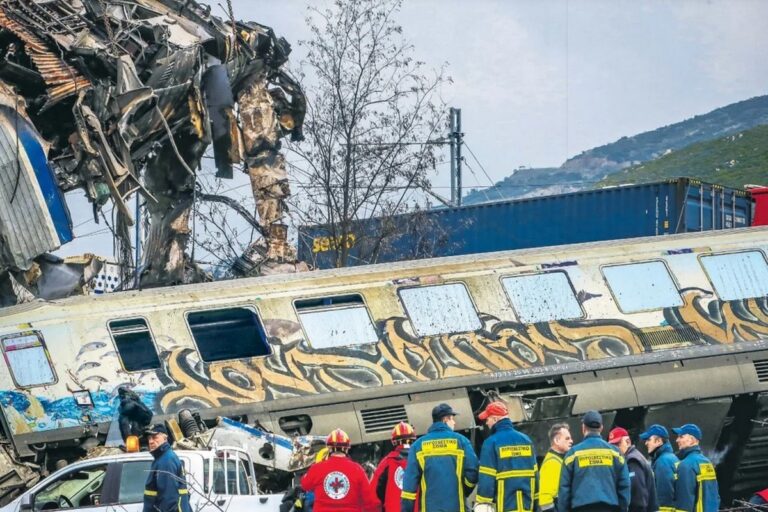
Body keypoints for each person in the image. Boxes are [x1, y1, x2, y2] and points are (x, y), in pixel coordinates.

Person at [401, 403, 478, 512]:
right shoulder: (462, 441)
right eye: (452, 419)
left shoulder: (418, 446)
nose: (454, 422)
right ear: (446, 419)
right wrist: (463, 490)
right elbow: (473, 473)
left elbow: (409, 486)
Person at [556, 410, 630, 512]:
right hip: (610, 508)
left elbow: (564, 489)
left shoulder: (572, 455)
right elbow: (624, 484)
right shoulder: (615, 453)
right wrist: (622, 508)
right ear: (601, 428)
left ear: (583, 428)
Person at [474, 401, 538, 512]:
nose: (487, 423)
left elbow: (487, 477)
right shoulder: (526, 440)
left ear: (495, 419)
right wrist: (536, 503)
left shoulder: (490, 443)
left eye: (487, 419)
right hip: (527, 505)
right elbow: (535, 475)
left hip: (505, 505)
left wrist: (483, 503)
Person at [300, 429, 379, 512]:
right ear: (347, 449)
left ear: (329, 448)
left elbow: (305, 485)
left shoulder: (317, 468)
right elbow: (369, 500)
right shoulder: (357, 469)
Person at [143, 424, 192, 512]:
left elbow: (169, 499)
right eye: (149, 438)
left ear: (165, 438)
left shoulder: (166, 461)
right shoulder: (162, 458)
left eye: (155, 437)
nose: (150, 441)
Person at [672, 424, 720, 512]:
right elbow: (715, 496)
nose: (677, 440)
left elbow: (684, 503)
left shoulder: (685, 465)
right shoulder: (707, 463)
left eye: (681, 437)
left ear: (691, 440)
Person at [371, 422, 417, 512]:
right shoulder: (420, 460)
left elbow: (374, 495)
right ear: (413, 439)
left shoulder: (386, 463)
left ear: (393, 441)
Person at [608, 427, 656, 512]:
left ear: (628, 442)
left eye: (618, 444)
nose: (615, 449)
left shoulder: (632, 461)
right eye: (612, 446)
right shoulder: (634, 457)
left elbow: (637, 497)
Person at [639, 424, 678, 512]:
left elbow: (664, 496)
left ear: (659, 441)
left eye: (649, 440)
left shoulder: (662, 462)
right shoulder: (672, 458)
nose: (646, 443)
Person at [538, 423, 573, 512]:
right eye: (567, 438)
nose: (571, 441)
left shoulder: (557, 460)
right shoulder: (552, 463)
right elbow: (545, 497)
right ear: (557, 440)